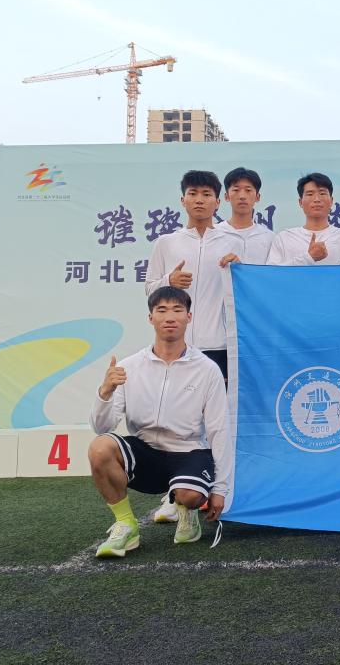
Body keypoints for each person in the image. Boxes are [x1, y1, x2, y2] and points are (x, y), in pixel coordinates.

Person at [88, 286, 230, 559]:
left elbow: (219, 431)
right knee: (99, 447)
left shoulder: (207, 369)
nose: (170, 317)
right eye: (162, 310)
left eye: (177, 310)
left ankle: (186, 511)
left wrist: (221, 489)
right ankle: (126, 524)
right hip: (146, 455)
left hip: (189, 452)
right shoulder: (129, 366)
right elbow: (102, 428)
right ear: (150, 318)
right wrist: (105, 393)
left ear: (189, 317)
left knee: (190, 495)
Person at [145, 170, 243, 523]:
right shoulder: (166, 243)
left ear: (218, 201)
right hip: (179, 346)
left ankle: (222, 488)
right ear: (182, 200)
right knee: (181, 421)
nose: (199, 200)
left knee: (218, 421)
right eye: (193, 193)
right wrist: (168, 280)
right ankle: (176, 496)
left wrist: (239, 268)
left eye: (206, 194)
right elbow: (150, 289)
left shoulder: (233, 241)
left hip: (220, 344)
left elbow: (249, 290)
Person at [266, 173, 340, 265]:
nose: (317, 199)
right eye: (310, 194)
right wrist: (309, 258)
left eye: (322, 193)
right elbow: (272, 272)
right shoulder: (284, 238)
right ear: (300, 202)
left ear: (331, 201)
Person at [217, 167, 273, 264]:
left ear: (257, 197)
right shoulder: (214, 233)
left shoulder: (269, 237)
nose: (242, 196)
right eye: (236, 190)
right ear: (226, 196)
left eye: (248, 190)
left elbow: (273, 271)